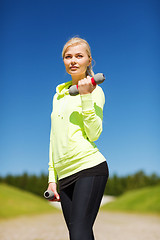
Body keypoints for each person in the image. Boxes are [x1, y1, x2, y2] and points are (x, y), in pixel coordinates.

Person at [47, 37, 109, 240]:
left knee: (79, 235)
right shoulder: (58, 96)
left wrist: (85, 96)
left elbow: (94, 133)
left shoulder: (95, 91)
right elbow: (53, 138)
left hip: (88, 168)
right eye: (68, 56)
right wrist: (51, 179)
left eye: (79, 56)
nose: (73, 60)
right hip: (64, 175)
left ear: (89, 60)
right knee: (78, 234)